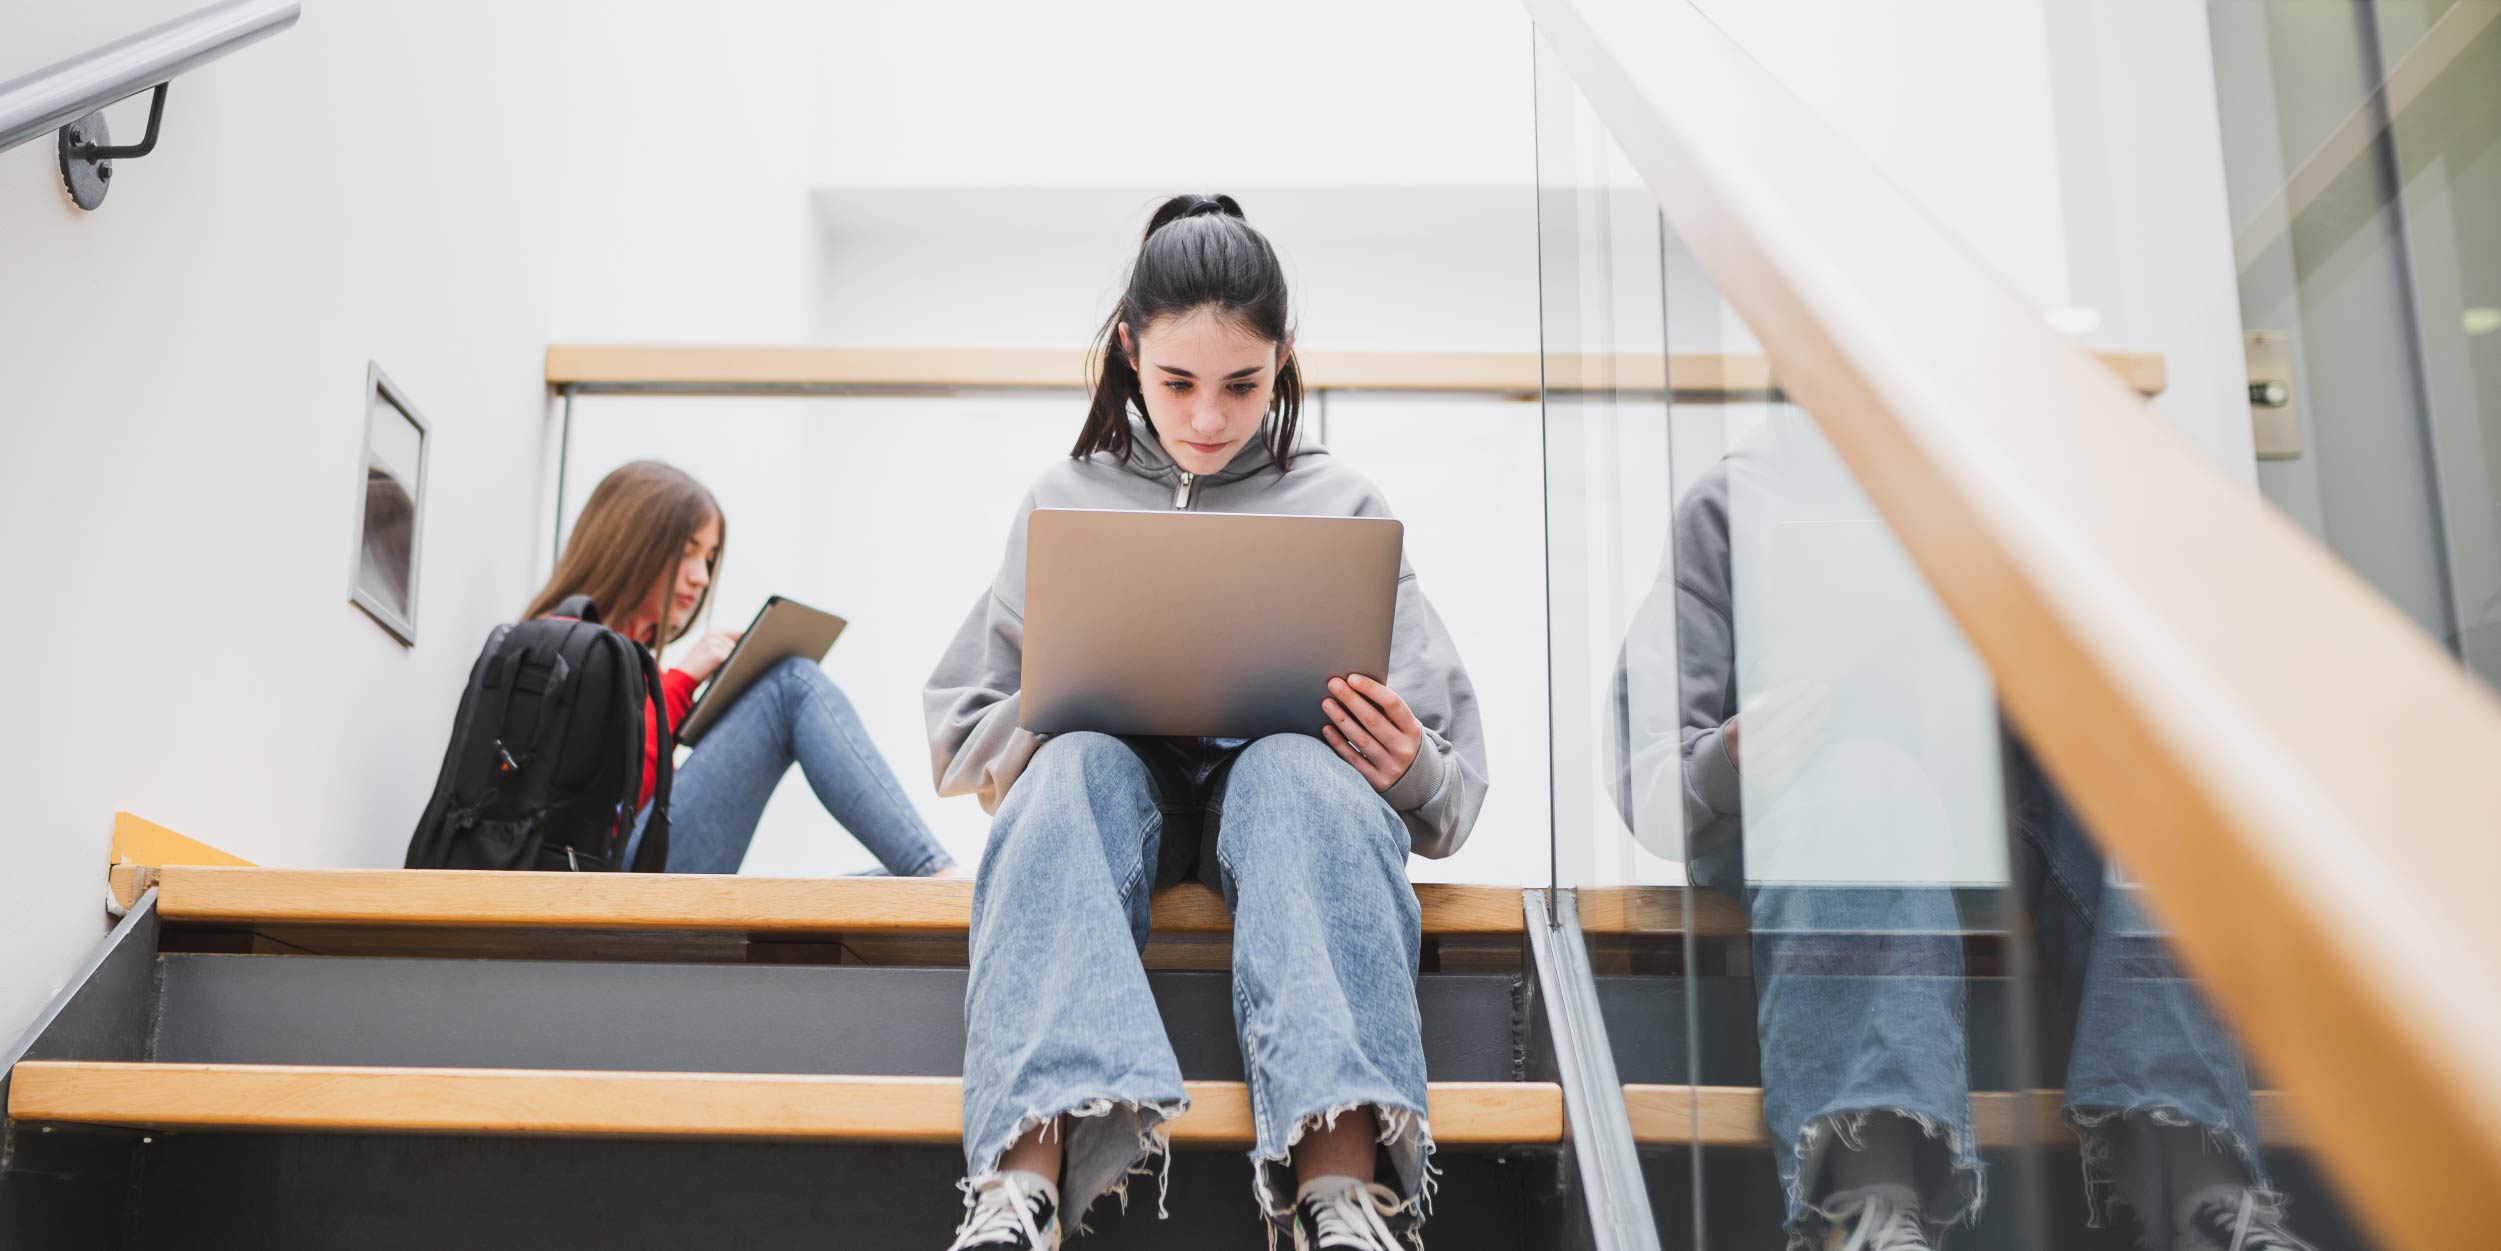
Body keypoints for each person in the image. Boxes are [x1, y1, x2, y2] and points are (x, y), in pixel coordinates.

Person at [924, 193, 1489, 1251]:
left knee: (1293, 773)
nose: (1205, 420)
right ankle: (1019, 1193)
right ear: (1130, 351)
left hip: (1281, 818)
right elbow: (960, 728)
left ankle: (1341, 1196)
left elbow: (1453, 796)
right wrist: (1050, 721)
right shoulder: (1065, 496)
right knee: (1075, 767)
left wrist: (1406, 764)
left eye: (1242, 385)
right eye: (1177, 382)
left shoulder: (1343, 504)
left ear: (1283, 363)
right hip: (1109, 802)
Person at [1611, 446, 2311, 1251]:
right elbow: (1649, 765)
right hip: (1817, 810)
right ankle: (1866, 1205)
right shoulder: (1738, 498)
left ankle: (2207, 1200)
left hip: (2000, 816)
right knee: (1866, 776)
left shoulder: (2032, 496)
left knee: (2141, 795)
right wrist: (1730, 755)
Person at [527, 460, 956, 878]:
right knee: (792, 684)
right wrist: (680, 684)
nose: (701, 577)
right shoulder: (565, 644)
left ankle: (939, 880)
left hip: (628, 866)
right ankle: (936, 873)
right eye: (687, 552)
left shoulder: (626, 656)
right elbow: (607, 795)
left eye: (709, 558)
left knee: (889, 892)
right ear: (628, 547)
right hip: (600, 880)